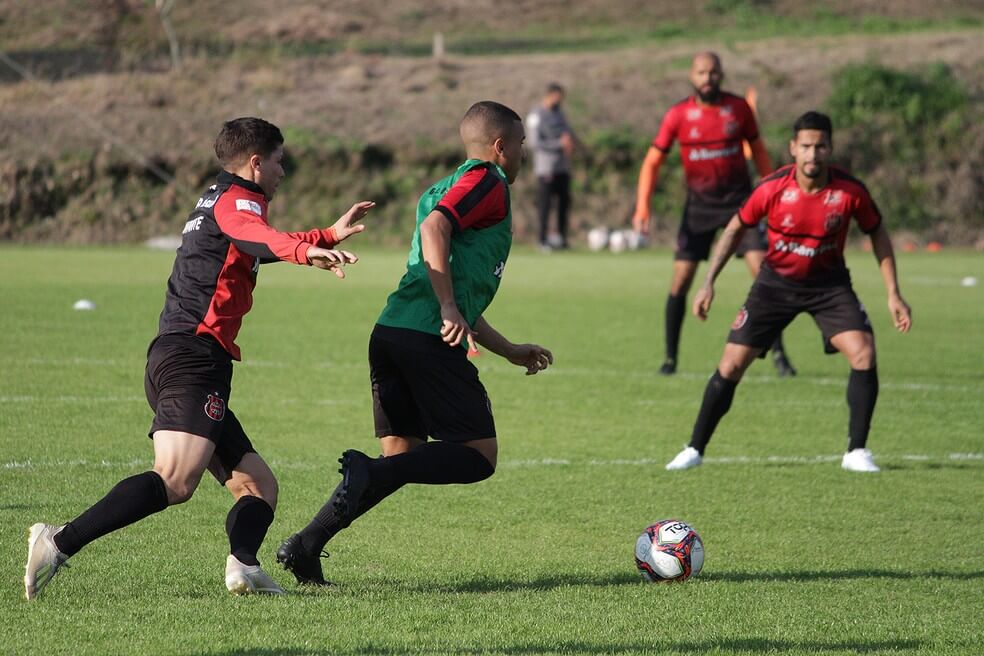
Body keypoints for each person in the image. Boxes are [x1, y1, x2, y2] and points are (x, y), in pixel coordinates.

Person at [23, 117, 373, 599]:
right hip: (192, 356)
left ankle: (244, 567)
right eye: (278, 161)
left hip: (187, 355)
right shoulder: (238, 202)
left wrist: (324, 236)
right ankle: (57, 541)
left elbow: (248, 242)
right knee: (175, 479)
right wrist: (302, 250)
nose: (283, 171)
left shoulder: (219, 199)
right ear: (255, 163)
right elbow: (255, 235)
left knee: (258, 486)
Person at [276, 101, 553, 586]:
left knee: (400, 457)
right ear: (500, 146)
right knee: (477, 456)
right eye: (522, 144)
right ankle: (365, 474)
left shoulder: (441, 188)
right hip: (426, 335)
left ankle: (306, 545)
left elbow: (448, 274)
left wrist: (507, 349)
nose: (524, 153)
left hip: (392, 332)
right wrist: (447, 307)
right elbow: (434, 231)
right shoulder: (488, 182)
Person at [665, 111, 912, 473]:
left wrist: (893, 293)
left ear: (830, 148)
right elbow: (735, 229)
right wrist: (708, 282)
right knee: (731, 364)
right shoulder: (772, 188)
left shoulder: (849, 191)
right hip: (774, 285)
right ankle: (694, 449)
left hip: (829, 286)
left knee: (863, 353)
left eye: (821, 146)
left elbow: (878, 232)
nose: (813, 154)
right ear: (793, 148)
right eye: (807, 146)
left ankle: (856, 451)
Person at [632, 52, 796, 377]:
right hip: (699, 206)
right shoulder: (679, 114)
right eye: (702, 72)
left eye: (713, 72)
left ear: (721, 75)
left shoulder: (738, 109)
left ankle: (779, 355)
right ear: (692, 76)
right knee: (681, 279)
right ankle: (670, 359)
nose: (708, 78)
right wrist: (643, 207)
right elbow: (652, 162)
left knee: (764, 273)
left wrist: (771, 193)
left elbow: (759, 151)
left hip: (741, 204)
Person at [527, 82, 576, 251]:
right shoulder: (536, 115)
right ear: (550, 95)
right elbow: (534, 142)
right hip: (546, 168)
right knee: (545, 205)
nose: (560, 100)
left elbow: (569, 134)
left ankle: (562, 239)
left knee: (564, 204)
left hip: (563, 167)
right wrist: (559, 144)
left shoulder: (559, 114)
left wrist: (572, 142)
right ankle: (542, 240)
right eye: (559, 97)